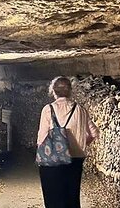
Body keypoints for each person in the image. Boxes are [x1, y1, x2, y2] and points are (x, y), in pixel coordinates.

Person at [37, 76, 100, 208]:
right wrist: (81, 144)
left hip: (53, 158)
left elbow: (41, 138)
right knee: (72, 196)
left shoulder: (48, 109)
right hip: (75, 159)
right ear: (70, 91)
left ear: (53, 91)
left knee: (53, 198)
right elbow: (94, 133)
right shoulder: (80, 110)